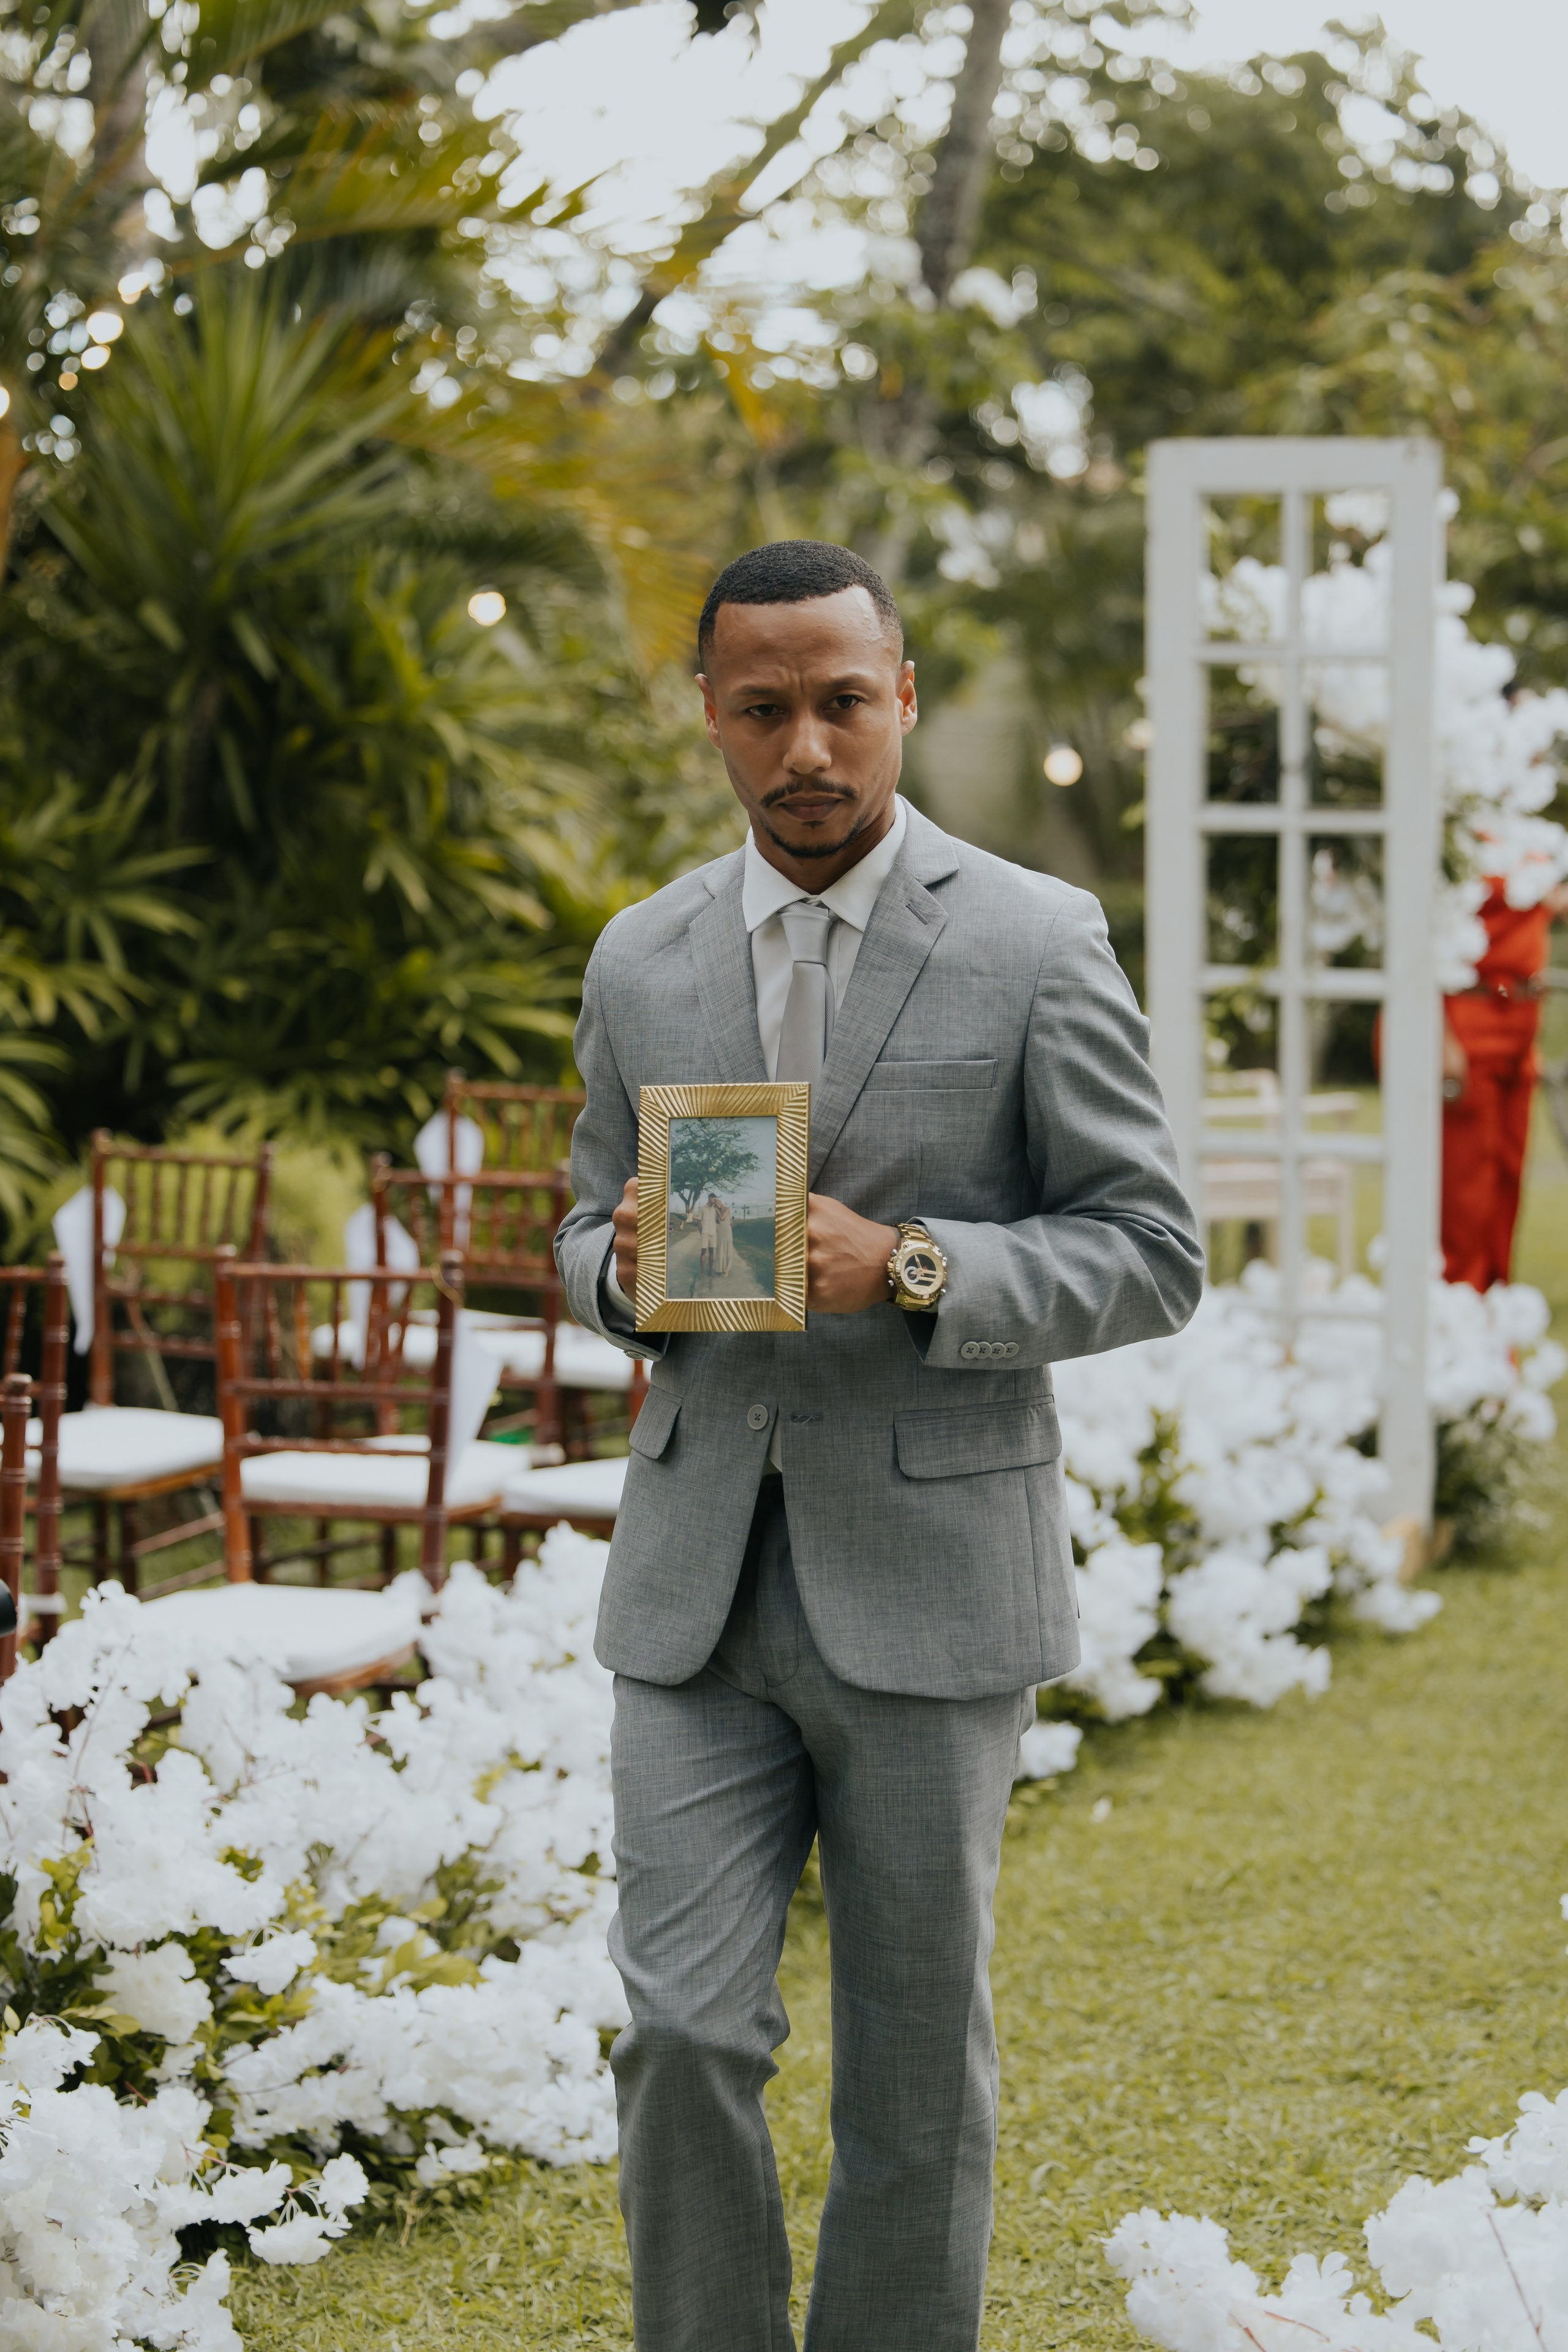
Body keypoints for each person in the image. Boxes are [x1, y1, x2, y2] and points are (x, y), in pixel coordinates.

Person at [555, 538, 1203, 2352]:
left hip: (930, 1578)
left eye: (842, 700)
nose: (806, 746)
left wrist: (914, 1263)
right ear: (709, 713)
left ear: (900, 696)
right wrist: (617, 1274)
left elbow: (1152, 1247)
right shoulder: (641, 955)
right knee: (682, 2028)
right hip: (692, 1589)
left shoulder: (1032, 937)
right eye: (762, 707)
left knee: (913, 2066)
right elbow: (584, 1223)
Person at [1442, 876, 1568, 1291]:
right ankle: (1459, 1305)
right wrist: (1440, 1035)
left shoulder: (1538, 847)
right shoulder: (1459, 843)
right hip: (1472, 1017)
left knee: (1507, 1182)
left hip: (1522, 1024)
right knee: (1466, 1192)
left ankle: (1496, 1310)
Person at [714, 1197, 734, 1278]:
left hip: (727, 1230)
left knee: (727, 1248)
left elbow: (722, 1218)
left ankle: (726, 1270)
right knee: (721, 1248)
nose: (718, 1205)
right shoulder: (717, 1212)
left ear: (721, 1203)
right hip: (721, 1230)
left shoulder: (726, 1209)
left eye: (718, 1203)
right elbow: (717, 1221)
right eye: (716, 1204)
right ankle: (720, 1269)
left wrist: (717, 1210)